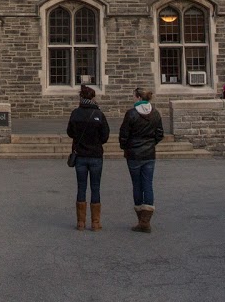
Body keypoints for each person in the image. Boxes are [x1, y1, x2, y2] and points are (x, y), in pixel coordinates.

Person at [118, 85, 164, 233]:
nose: (132, 98)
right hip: (149, 154)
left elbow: (124, 134)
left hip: (134, 155)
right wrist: (151, 144)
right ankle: (146, 221)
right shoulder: (155, 113)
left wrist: (127, 146)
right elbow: (160, 134)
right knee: (148, 184)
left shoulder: (131, 114)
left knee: (137, 184)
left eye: (133, 96)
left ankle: (141, 221)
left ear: (138, 97)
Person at [66, 84, 109, 230]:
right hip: (96, 155)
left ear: (81, 97)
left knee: (81, 187)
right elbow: (105, 136)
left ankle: (81, 222)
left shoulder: (75, 113)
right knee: (95, 187)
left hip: (80, 156)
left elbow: (70, 133)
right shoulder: (99, 114)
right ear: (93, 98)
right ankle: (95, 223)